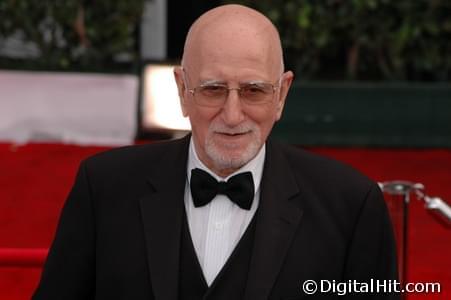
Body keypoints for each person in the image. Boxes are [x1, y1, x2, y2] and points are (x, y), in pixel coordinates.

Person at [32, 4, 399, 300]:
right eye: (212, 89)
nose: (233, 114)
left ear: (282, 94)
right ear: (181, 88)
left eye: (254, 90)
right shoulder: (104, 187)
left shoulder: (351, 205)